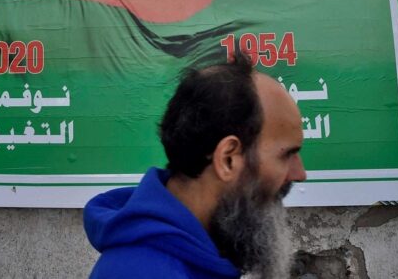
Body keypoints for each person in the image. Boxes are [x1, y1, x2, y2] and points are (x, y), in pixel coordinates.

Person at [84, 50, 306, 278]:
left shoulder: (206, 250)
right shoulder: (140, 272)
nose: (300, 173)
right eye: (286, 155)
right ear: (227, 159)